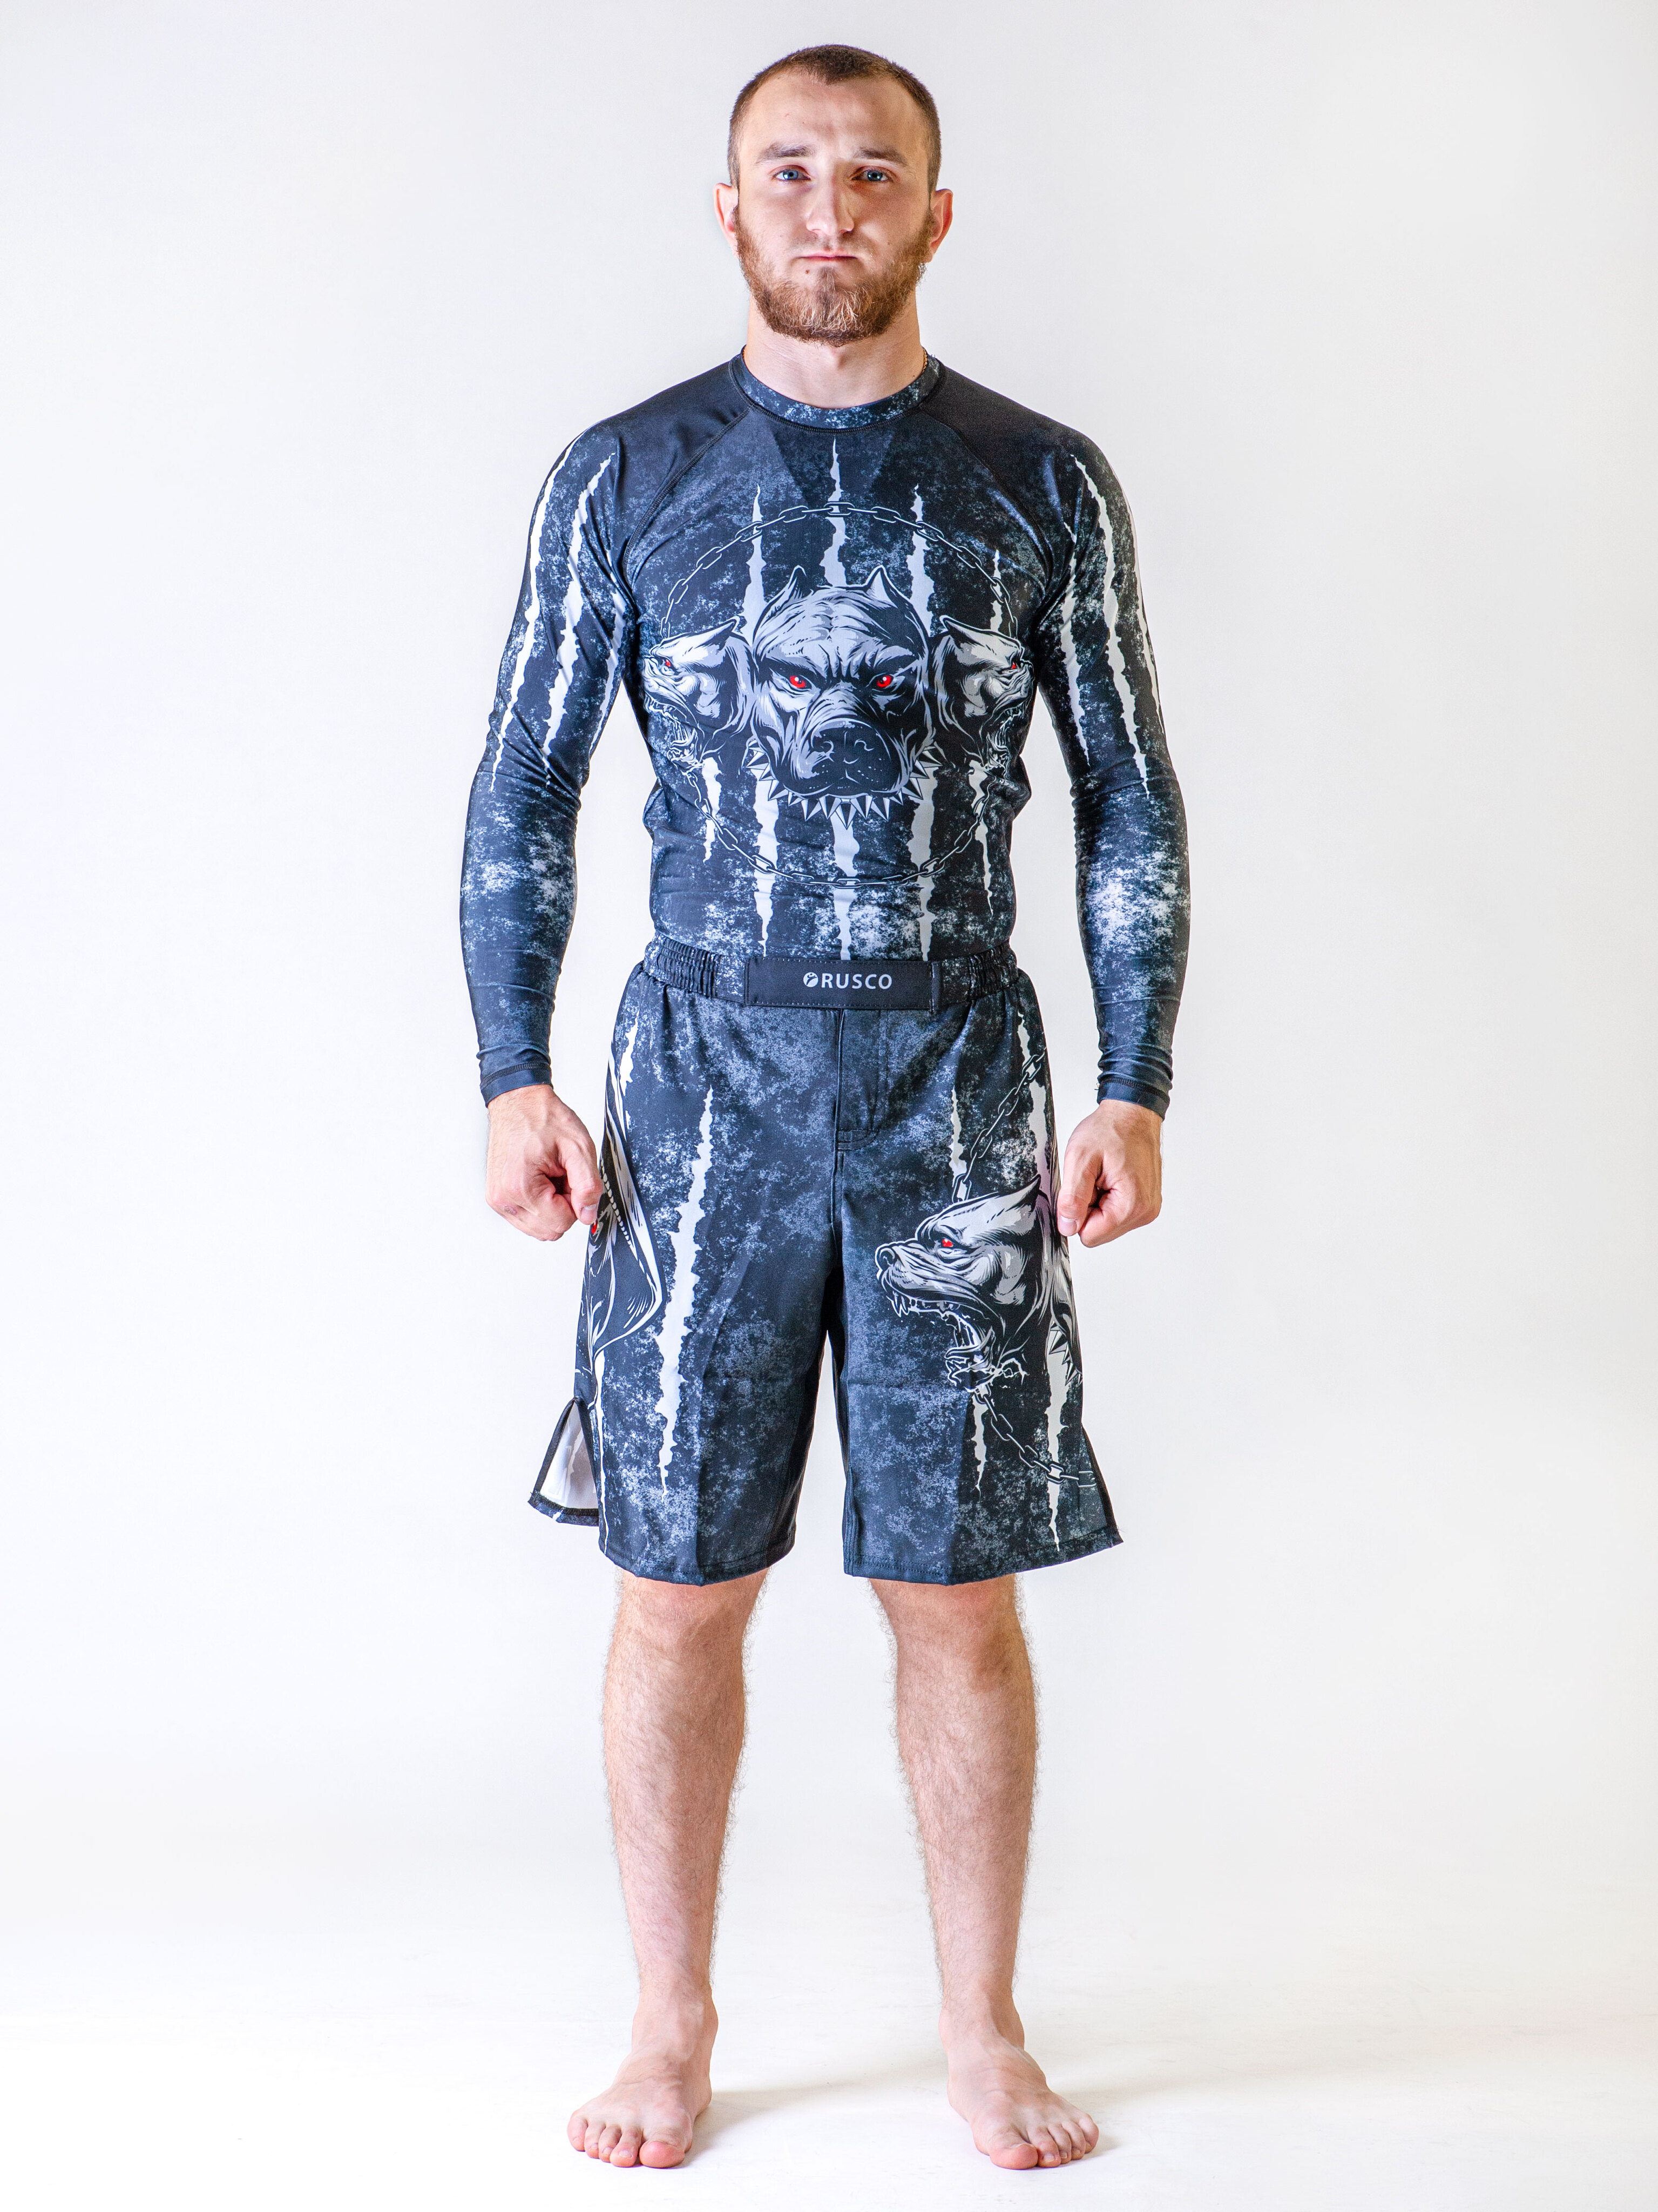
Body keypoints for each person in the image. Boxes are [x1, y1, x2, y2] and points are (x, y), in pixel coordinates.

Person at [460, 43, 1189, 2173]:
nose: (830, 207)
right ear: (731, 209)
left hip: (958, 1088)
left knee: (956, 1590)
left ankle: (981, 2026)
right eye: (788, 171)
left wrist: (1136, 1082)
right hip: (704, 1088)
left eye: (874, 174)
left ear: (934, 216)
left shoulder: (1039, 482)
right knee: (679, 1580)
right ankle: (670, 2021)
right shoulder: (628, 477)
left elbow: (1130, 797)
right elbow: (523, 784)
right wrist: (510, 1067)